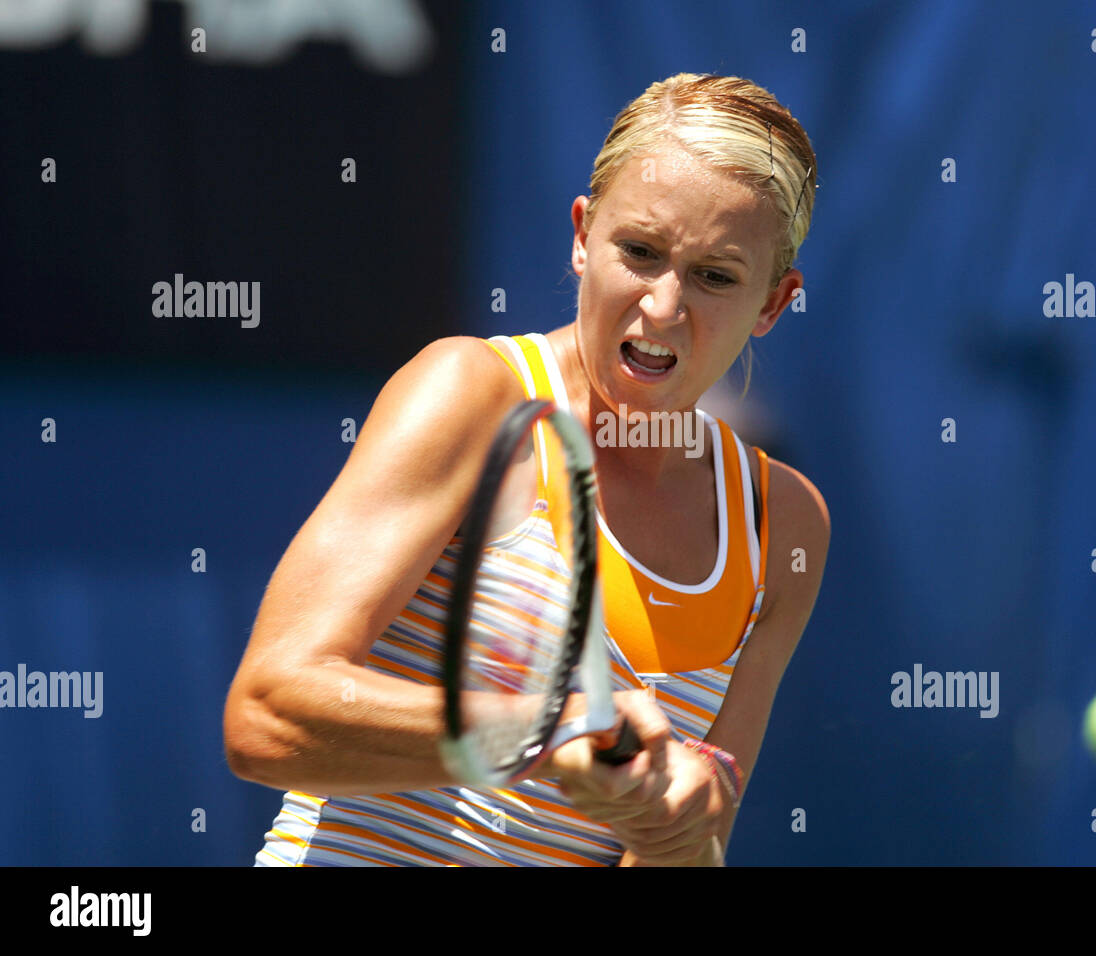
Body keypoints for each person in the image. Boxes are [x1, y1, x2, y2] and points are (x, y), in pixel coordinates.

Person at [224, 72, 829, 866]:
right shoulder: (469, 393)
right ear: (582, 237)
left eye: (716, 276)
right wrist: (543, 731)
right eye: (639, 252)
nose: (662, 307)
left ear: (772, 305)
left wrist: (679, 825)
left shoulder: (784, 524)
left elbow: (682, 851)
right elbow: (268, 715)